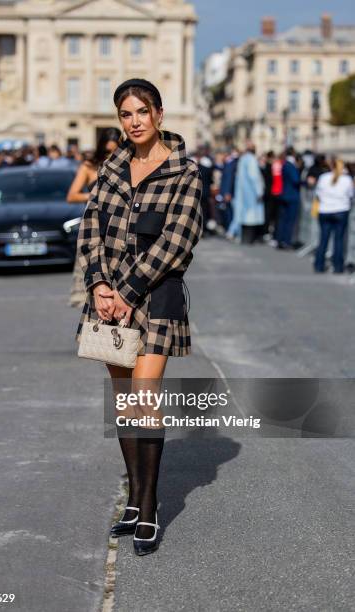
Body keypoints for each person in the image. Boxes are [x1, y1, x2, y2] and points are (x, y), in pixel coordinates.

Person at [76, 78, 203, 556]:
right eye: (126, 114)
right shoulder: (111, 168)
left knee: (144, 397)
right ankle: (133, 497)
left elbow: (179, 239)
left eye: (141, 112)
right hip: (109, 302)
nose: (134, 122)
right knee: (124, 402)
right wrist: (99, 285)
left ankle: (148, 505)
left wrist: (128, 290)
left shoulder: (183, 172)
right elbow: (90, 229)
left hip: (155, 298)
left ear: (159, 114)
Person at [67, 128, 121, 307]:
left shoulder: (127, 165)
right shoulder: (89, 166)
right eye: (107, 151)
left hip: (118, 228)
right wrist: (95, 195)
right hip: (95, 228)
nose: (111, 155)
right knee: (93, 289)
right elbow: (72, 195)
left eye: (116, 150)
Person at [314, 158, 354, 274]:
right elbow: (351, 195)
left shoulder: (323, 177)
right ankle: (338, 266)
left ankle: (319, 265)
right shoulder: (347, 179)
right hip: (341, 210)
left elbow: (318, 194)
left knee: (323, 239)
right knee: (339, 240)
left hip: (325, 210)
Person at [227, 142, 264, 244]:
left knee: (240, 215)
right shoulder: (251, 160)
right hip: (250, 194)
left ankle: (236, 234)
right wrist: (259, 192)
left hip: (241, 193)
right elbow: (254, 177)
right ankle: (244, 237)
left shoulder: (242, 159)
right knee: (249, 218)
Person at [276, 147, 301, 249]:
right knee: (290, 220)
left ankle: (280, 239)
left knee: (283, 219)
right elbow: (295, 180)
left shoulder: (285, 164)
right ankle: (286, 241)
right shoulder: (291, 166)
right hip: (292, 196)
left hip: (284, 194)